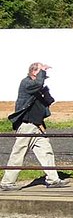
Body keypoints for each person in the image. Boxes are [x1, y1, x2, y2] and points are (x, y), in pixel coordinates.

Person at [2, 62, 68, 190]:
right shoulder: (26, 83)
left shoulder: (38, 88)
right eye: (40, 74)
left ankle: (53, 179)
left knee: (46, 151)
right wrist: (41, 78)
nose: (43, 79)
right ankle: (7, 182)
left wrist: (46, 92)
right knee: (18, 153)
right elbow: (37, 84)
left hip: (37, 126)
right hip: (26, 125)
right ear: (33, 72)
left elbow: (49, 101)